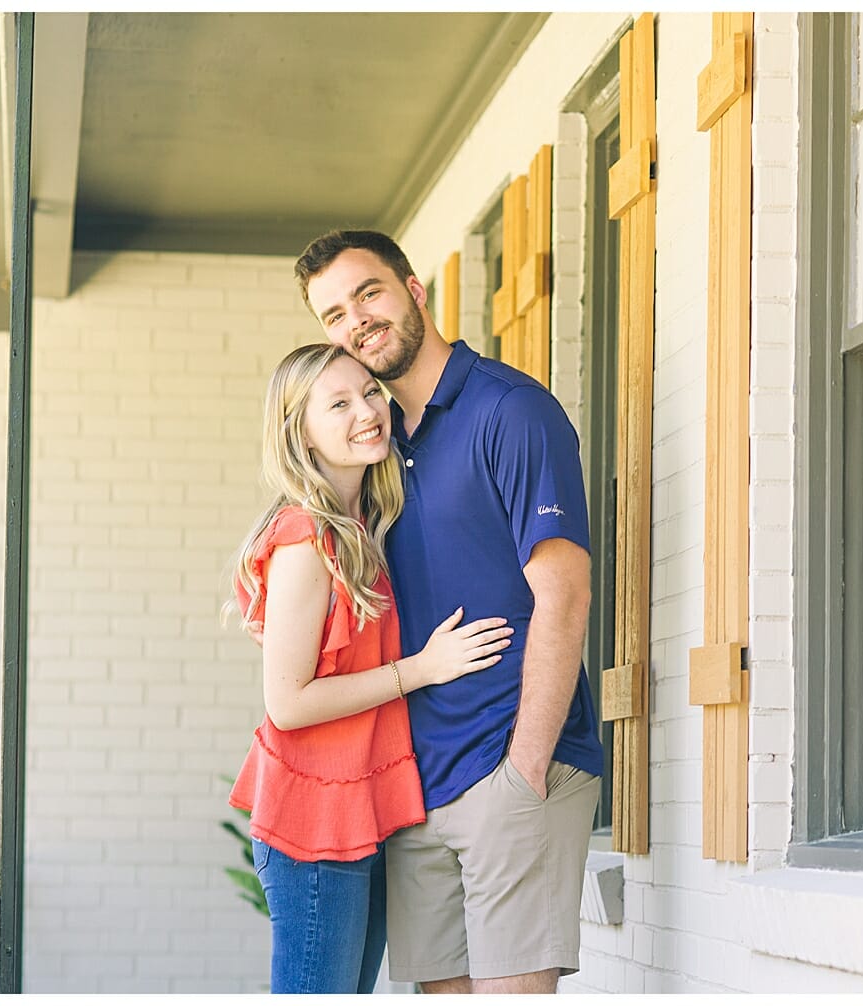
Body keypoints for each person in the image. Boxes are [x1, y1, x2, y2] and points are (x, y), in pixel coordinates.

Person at [293, 229, 605, 994]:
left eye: (368, 293)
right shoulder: (374, 445)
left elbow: (565, 593)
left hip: (511, 766)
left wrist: (525, 767)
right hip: (417, 791)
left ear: (414, 290)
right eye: (334, 314)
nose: (357, 321)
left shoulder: (510, 410)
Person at [225, 343, 513, 995]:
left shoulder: (363, 530)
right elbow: (288, 704)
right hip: (314, 817)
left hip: (363, 810)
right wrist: (422, 669)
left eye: (370, 392)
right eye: (339, 404)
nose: (367, 411)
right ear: (300, 433)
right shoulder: (307, 537)